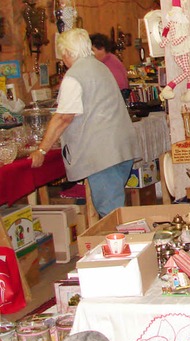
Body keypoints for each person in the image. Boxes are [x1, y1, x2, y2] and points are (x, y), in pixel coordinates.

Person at [29, 28, 139, 217]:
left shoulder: (75, 76)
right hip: (121, 146)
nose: (63, 60)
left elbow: (64, 117)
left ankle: (121, 245)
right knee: (115, 207)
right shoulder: (99, 66)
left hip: (103, 154)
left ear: (67, 53)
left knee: (111, 214)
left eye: (62, 55)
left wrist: (41, 150)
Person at [90, 33, 130, 100]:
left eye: (92, 50)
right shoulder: (111, 58)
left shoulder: (107, 64)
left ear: (102, 48)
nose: (90, 54)